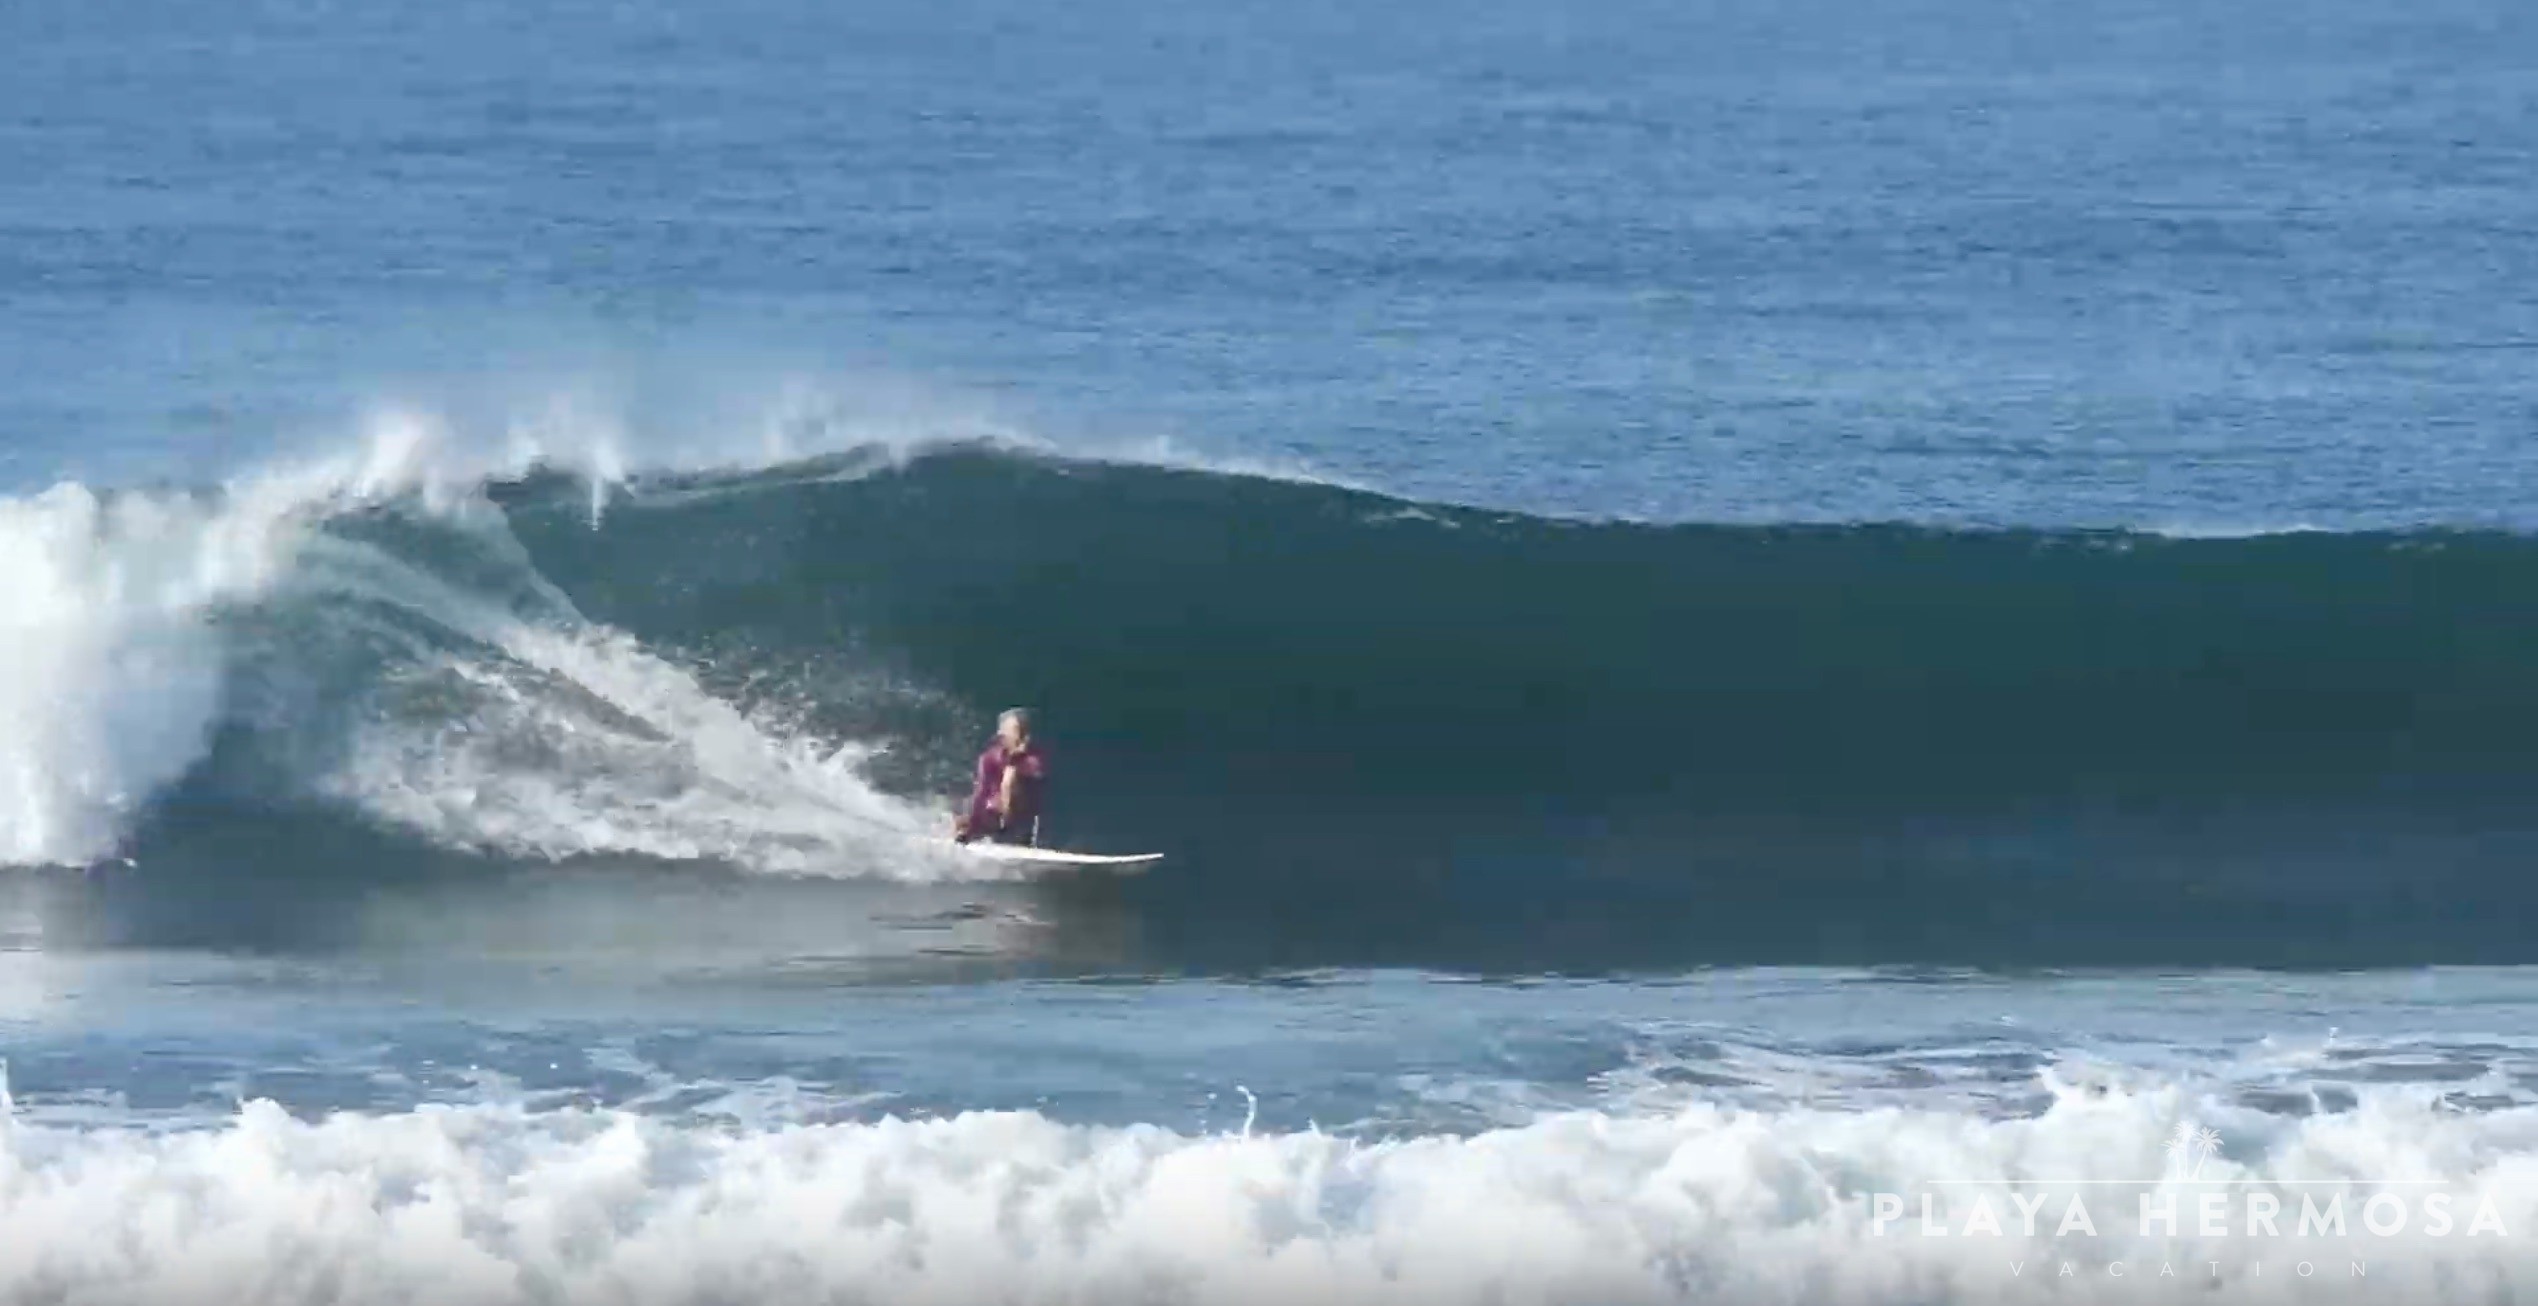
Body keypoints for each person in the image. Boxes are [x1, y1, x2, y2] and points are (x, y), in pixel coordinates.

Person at [953, 708, 1048, 845]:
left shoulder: (1032, 758)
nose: (1003, 734)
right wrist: (971, 824)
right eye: (1004, 729)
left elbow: (1036, 775)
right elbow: (981, 791)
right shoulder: (989, 757)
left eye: (1012, 730)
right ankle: (969, 832)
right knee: (968, 803)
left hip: (1018, 816)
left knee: (1011, 778)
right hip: (992, 814)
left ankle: (1018, 836)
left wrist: (1015, 760)